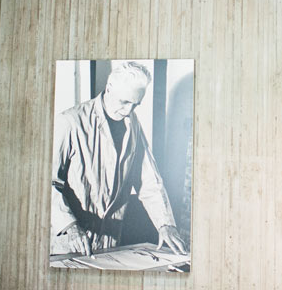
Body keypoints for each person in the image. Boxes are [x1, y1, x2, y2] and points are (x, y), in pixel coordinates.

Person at [50, 61, 187, 257]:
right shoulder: (69, 122)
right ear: (109, 88)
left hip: (110, 243)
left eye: (135, 104)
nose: (128, 111)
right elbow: (45, 184)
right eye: (124, 102)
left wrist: (165, 224)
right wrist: (70, 226)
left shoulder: (133, 125)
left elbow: (149, 181)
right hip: (67, 242)